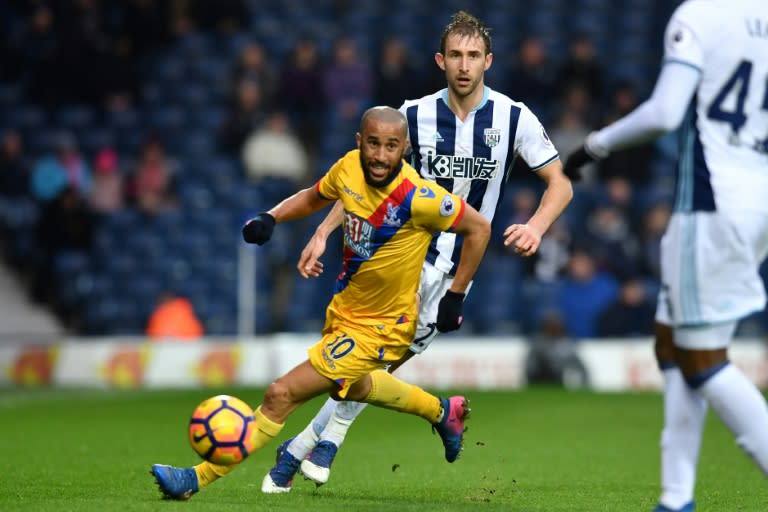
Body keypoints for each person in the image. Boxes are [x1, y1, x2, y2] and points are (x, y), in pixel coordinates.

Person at [264, 10, 573, 492]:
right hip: (403, 253)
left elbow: (560, 183)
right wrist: (324, 230)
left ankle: (307, 446)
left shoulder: (515, 118)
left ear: (488, 61)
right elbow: (367, 181)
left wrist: (536, 226)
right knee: (369, 361)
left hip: (457, 264)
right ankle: (314, 447)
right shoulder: (412, 115)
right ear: (440, 60)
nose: (464, 65)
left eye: (473, 56)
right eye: (455, 55)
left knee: (372, 366)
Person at [150, 105, 492, 500]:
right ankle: (442, 412)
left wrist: (455, 294)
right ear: (359, 142)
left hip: (384, 326)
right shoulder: (348, 168)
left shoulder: (420, 197)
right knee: (353, 388)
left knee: (281, 393)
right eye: (374, 144)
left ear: (405, 149)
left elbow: (479, 228)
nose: (381, 156)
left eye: (392, 146)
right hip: (345, 310)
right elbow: (315, 195)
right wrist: (272, 217)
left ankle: (196, 479)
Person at [563, 1, 768, 510]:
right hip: (754, 198)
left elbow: (665, 112)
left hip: (711, 202)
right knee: (670, 341)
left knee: (702, 359)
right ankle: (676, 499)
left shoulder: (699, 15)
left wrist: (593, 145)